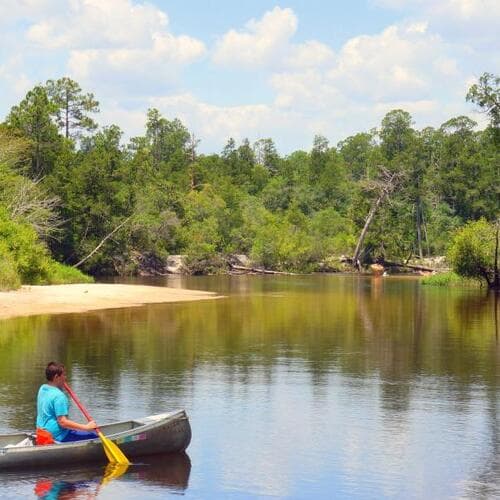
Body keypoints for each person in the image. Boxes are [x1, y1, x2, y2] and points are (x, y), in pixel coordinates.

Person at [36, 361, 97, 443]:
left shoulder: (43, 388)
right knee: (94, 437)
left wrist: (59, 387)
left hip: (41, 433)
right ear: (56, 377)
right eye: (64, 375)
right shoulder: (59, 396)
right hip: (57, 436)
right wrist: (86, 427)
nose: (65, 378)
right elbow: (63, 422)